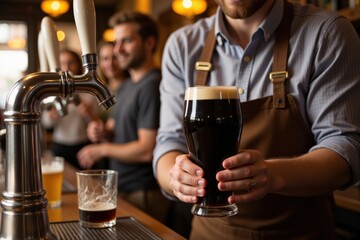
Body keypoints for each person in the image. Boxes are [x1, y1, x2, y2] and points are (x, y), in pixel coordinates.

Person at [153, 0, 360, 239]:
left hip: (300, 233)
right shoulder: (181, 45)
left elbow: (346, 149)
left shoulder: (327, 32)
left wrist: (272, 175)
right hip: (209, 233)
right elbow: (168, 143)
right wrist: (177, 178)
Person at [77, 11, 172, 224]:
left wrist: (101, 149)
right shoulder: (127, 84)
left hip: (143, 192)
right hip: (124, 188)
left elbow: (146, 150)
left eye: (126, 41)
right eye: (117, 41)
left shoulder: (152, 86)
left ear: (149, 42)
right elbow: (114, 127)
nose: (118, 49)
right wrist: (101, 131)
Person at [42, 49, 100, 170]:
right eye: (62, 63)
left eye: (70, 63)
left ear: (79, 65)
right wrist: (51, 116)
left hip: (83, 145)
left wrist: (88, 113)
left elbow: (96, 124)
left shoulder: (88, 92)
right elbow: (46, 124)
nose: (66, 67)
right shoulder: (53, 92)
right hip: (60, 145)